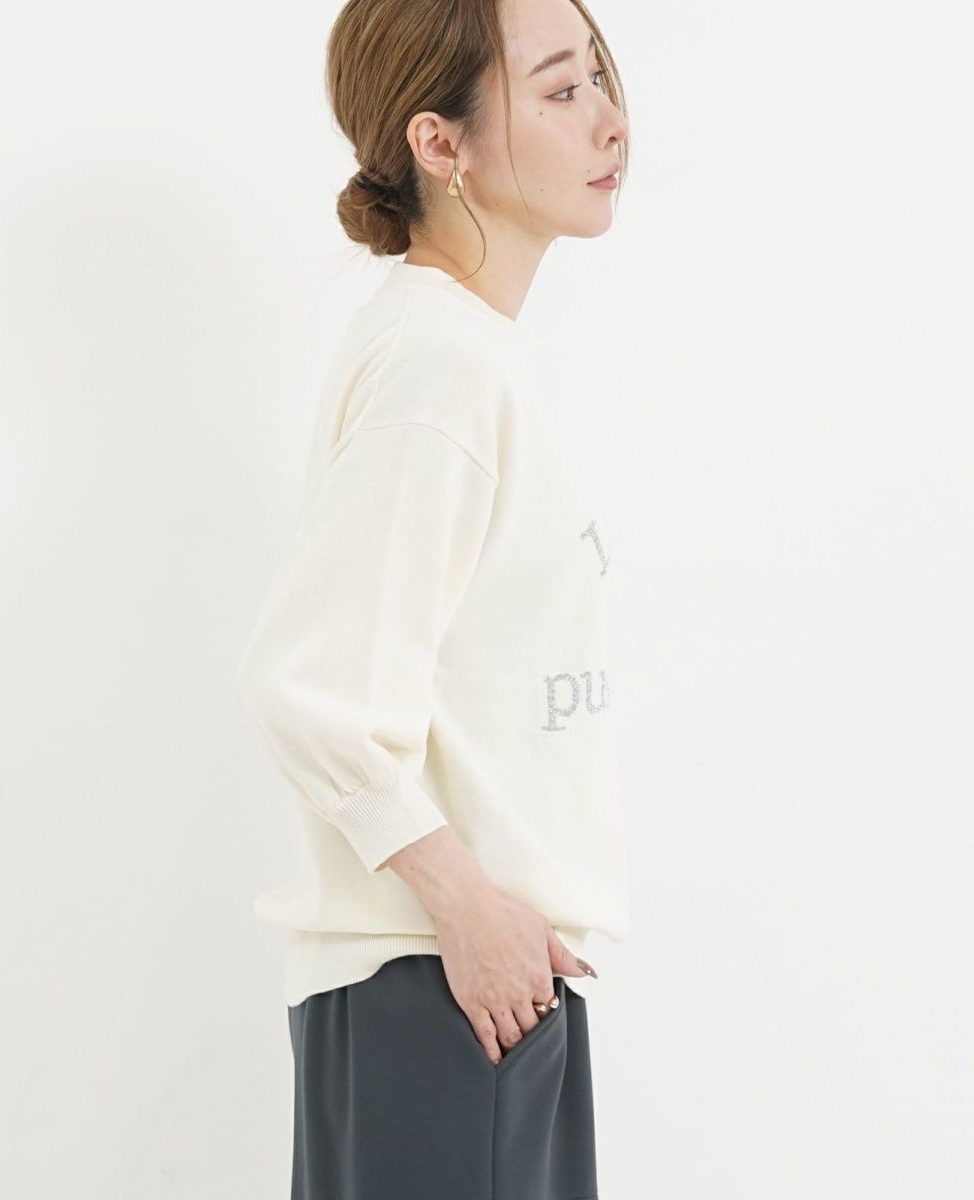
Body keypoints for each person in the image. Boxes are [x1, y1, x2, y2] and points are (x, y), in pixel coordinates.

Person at [235, 0, 631, 1195]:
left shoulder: (459, 350)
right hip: (445, 984)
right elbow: (312, 689)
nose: (610, 120)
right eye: (560, 90)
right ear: (438, 142)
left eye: (600, 76)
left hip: (461, 980)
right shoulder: (440, 366)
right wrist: (468, 907)